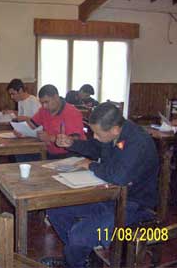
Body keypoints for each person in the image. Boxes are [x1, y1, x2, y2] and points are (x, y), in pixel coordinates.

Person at [40, 102, 159, 268]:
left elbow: (119, 177)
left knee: (79, 234)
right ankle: (81, 257)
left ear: (115, 130)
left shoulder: (137, 142)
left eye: (96, 133)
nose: (94, 136)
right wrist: (72, 143)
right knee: (55, 210)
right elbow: (97, 147)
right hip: (109, 195)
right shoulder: (113, 134)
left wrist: (91, 165)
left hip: (134, 205)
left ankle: (74, 259)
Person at [28, 84, 85, 159]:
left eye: (46, 102)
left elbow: (73, 141)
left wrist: (49, 138)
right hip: (50, 152)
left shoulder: (72, 113)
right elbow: (32, 125)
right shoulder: (44, 110)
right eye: (42, 103)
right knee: (22, 156)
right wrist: (21, 131)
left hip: (70, 155)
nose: (44, 106)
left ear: (56, 97)